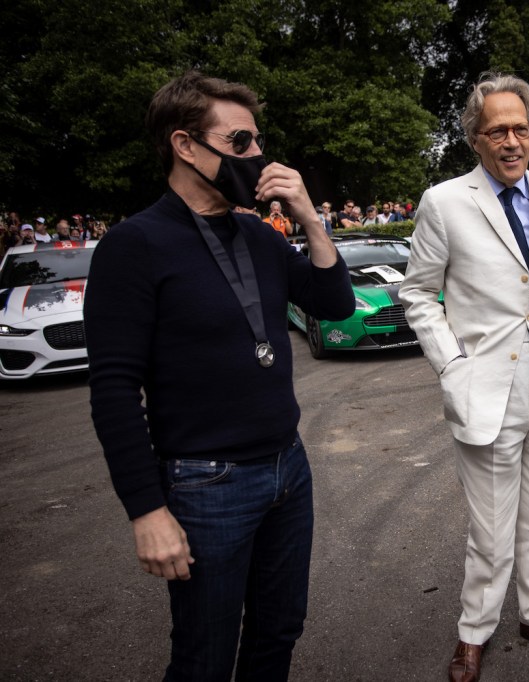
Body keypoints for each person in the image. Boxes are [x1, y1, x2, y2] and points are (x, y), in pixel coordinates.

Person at [84, 71, 355, 681]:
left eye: (257, 141)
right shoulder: (134, 244)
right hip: (207, 484)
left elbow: (334, 304)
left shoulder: (257, 233)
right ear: (185, 145)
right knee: (204, 657)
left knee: (279, 631)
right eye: (240, 142)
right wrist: (147, 511)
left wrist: (311, 219)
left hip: (288, 467)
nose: (256, 156)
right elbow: (114, 391)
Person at [399, 71, 529, 682]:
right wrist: (452, 362)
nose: (511, 141)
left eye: (520, 129)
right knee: (490, 529)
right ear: (475, 139)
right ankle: (474, 631)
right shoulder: (444, 202)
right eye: (497, 131)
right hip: (484, 389)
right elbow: (418, 293)